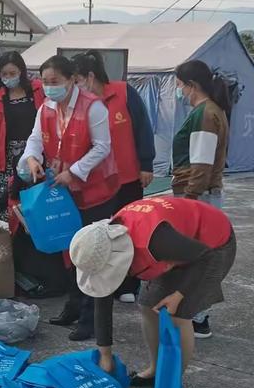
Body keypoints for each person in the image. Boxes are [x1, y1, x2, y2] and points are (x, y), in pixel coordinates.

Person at [69, 196, 236, 388]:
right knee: (147, 305)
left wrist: (179, 294)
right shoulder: (102, 243)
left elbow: (205, 257)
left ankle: (170, 386)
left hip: (213, 245)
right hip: (178, 245)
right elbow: (102, 297)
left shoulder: (156, 241)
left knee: (178, 315)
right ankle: (156, 369)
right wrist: (105, 355)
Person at [18, 55, 120, 341]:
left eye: (55, 82)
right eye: (46, 82)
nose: (50, 88)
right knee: (71, 251)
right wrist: (32, 160)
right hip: (66, 191)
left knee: (92, 254)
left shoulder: (93, 107)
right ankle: (74, 306)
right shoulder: (46, 107)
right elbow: (35, 140)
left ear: (72, 79)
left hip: (96, 191)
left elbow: (102, 147)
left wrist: (74, 172)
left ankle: (92, 319)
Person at [74, 50, 155, 303]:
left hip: (128, 177)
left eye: (76, 79)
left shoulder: (124, 92)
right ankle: (104, 281)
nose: (74, 86)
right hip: (97, 182)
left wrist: (146, 164)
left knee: (129, 230)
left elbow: (143, 128)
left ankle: (130, 284)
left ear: (89, 76)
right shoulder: (79, 103)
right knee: (100, 231)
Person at [173, 59, 230, 338]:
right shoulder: (209, 111)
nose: (179, 91)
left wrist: (190, 199)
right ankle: (196, 313)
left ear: (192, 85)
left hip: (199, 196)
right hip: (201, 195)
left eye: (180, 86)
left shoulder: (205, 114)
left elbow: (202, 164)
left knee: (199, 257)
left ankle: (198, 317)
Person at [0, 154, 69, 297]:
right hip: (22, 234)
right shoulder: (14, 183)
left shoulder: (49, 184)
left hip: (46, 236)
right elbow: (1, 201)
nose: (25, 172)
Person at [0, 51, 44, 221]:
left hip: (36, 154)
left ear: (21, 72)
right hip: (8, 157)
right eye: (4, 74)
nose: (8, 77)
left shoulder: (38, 91)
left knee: (35, 202)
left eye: (12, 73)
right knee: (9, 206)